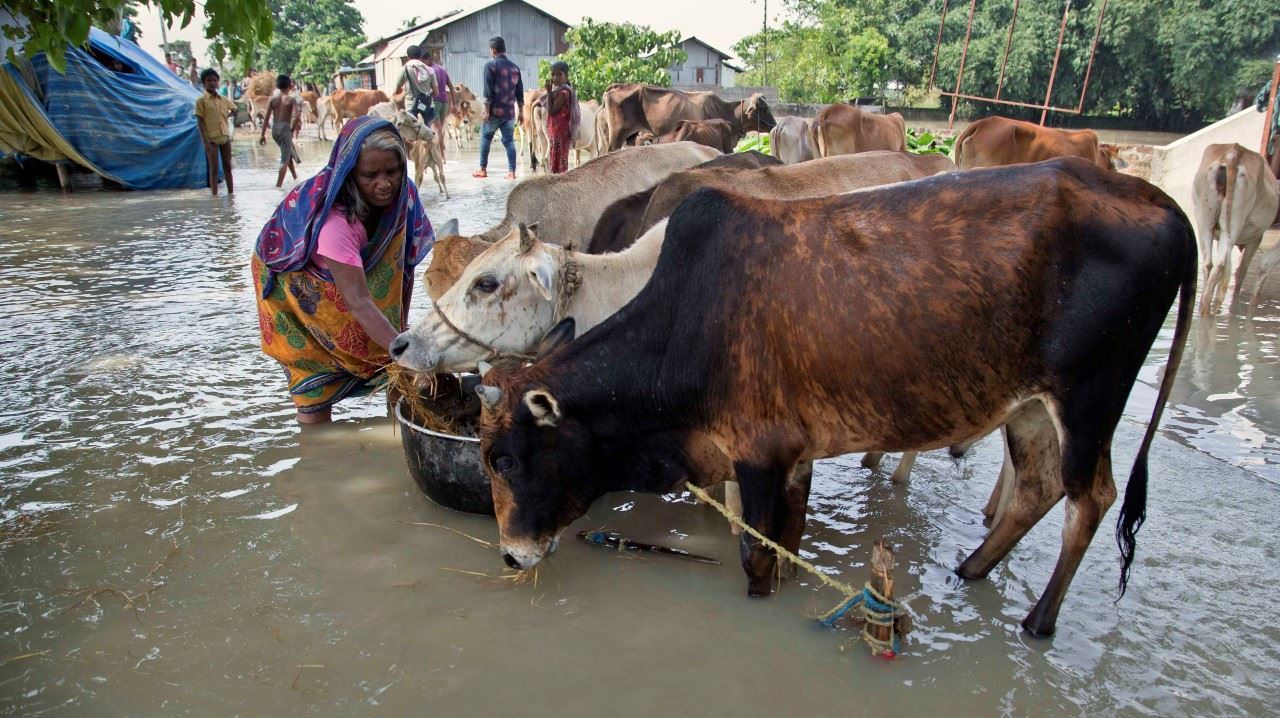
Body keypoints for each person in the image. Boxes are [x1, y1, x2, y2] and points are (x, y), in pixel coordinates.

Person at [252, 116, 434, 424]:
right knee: (315, 384)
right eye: (370, 175)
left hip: (351, 285)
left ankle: (402, 430)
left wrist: (399, 333)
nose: (384, 183)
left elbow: (404, 267)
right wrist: (406, 354)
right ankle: (316, 453)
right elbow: (358, 300)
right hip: (299, 292)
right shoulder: (336, 224)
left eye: (392, 171)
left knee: (394, 364)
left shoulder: (405, 197)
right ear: (350, 174)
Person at [474, 36, 523, 180]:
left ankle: (482, 169)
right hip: (509, 112)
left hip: (494, 112)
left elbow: (488, 91)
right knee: (509, 141)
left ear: (493, 50)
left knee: (485, 137)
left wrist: (486, 110)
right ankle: (512, 173)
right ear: (504, 49)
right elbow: (520, 92)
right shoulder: (515, 68)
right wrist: (521, 112)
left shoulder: (491, 66)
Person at [194, 68, 237, 195]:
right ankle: (214, 196)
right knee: (214, 169)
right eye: (208, 80)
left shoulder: (223, 99)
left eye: (214, 80)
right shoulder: (201, 101)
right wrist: (205, 142)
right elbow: (200, 122)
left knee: (227, 167)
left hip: (224, 136)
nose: (212, 83)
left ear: (218, 82)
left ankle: (231, 194)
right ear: (204, 83)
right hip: (211, 138)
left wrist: (227, 116)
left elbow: (235, 109)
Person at [260, 74, 301, 187]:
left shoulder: (272, 100)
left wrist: (262, 135)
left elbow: (266, 118)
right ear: (290, 86)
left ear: (277, 86)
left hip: (275, 129)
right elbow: (297, 116)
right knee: (285, 159)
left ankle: (295, 178)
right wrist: (292, 129)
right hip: (285, 128)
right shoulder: (291, 99)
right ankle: (278, 186)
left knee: (287, 153)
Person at [543, 61, 579, 174]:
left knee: (559, 161)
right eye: (553, 74)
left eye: (559, 74)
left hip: (560, 132)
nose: (555, 77)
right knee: (556, 159)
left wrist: (548, 92)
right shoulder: (558, 91)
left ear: (566, 76)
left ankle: (559, 183)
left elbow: (552, 111)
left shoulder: (564, 92)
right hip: (556, 131)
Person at [393, 45, 437, 127]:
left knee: (412, 133)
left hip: (411, 105)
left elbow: (397, 87)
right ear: (420, 56)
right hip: (428, 105)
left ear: (407, 56)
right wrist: (427, 95)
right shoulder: (430, 70)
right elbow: (436, 92)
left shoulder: (405, 69)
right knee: (429, 132)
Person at [426, 52, 456, 161]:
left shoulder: (429, 70)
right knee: (440, 129)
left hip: (435, 102)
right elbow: (451, 88)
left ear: (427, 60)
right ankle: (442, 156)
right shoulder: (442, 69)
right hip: (444, 102)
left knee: (436, 130)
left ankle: (439, 156)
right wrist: (454, 104)